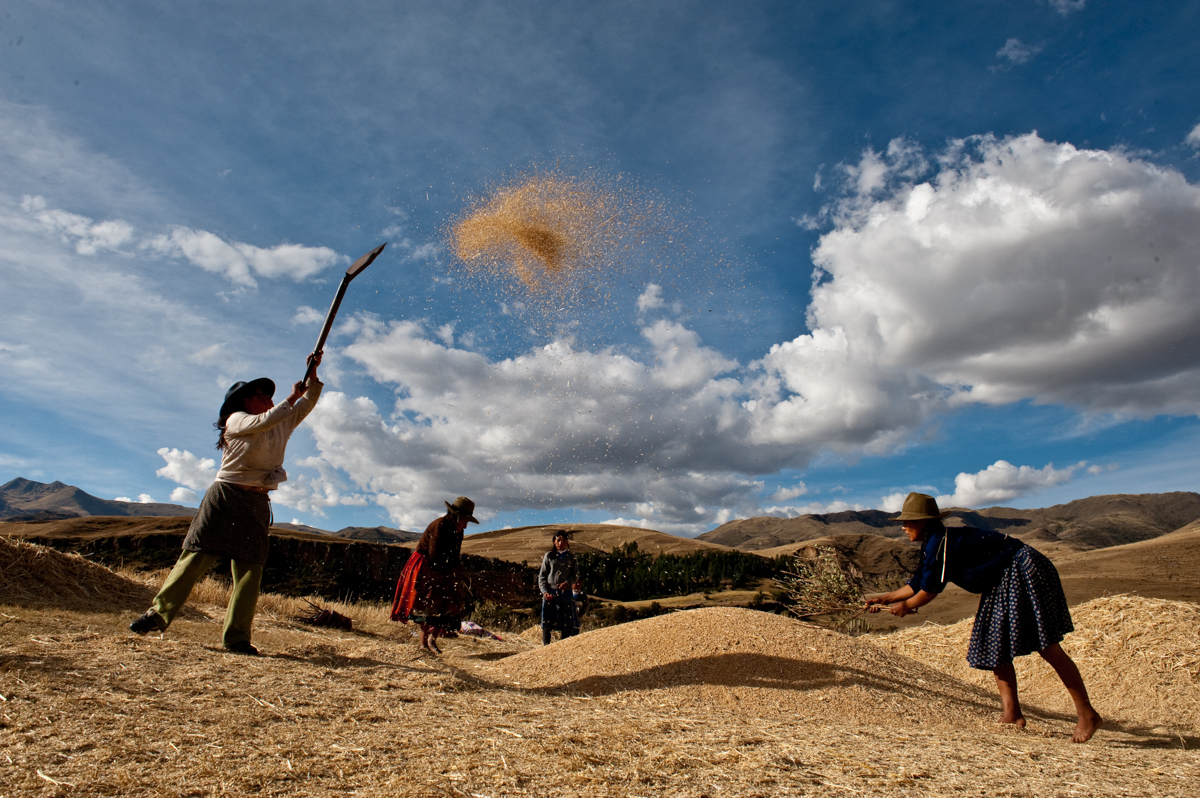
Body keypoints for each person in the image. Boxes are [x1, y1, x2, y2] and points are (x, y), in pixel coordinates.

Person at [866, 492, 1102, 743]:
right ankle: (1012, 714)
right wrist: (885, 598)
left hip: (1022, 568)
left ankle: (1087, 713)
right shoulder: (934, 543)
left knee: (1046, 645)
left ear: (922, 522)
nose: (903, 528)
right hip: (1000, 579)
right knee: (993, 642)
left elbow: (930, 590)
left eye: (907, 522)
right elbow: (917, 584)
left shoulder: (941, 542)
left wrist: (907, 606)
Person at [129, 353, 324, 655]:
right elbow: (266, 419)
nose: (267, 398)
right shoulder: (237, 420)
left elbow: (306, 404)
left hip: (256, 501)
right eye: (261, 394)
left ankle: (236, 639)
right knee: (195, 558)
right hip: (226, 496)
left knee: (250, 571)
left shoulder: (279, 422)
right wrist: (290, 397)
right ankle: (157, 615)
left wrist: (312, 378)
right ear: (245, 401)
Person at [391, 496, 478, 653]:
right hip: (426, 567)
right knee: (427, 604)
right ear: (457, 517)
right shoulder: (439, 526)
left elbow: (454, 554)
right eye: (465, 521)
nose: (466, 525)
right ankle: (423, 643)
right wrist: (449, 572)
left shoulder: (458, 532)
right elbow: (435, 556)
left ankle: (433, 639)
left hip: (444, 568)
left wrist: (458, 569)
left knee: (448, 602)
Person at [538, 529, 581, 645]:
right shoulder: (549, 556)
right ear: (554, 542)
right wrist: (544, 591)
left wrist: (567, 583)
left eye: (563, 540)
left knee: (565, 625)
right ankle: (545, 647)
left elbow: (576, 574)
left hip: (566, 594)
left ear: (567, 542)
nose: (560, 543)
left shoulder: (571, 557)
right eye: (558, 540)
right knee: (547, 624)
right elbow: (542, 576)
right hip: (550, 593)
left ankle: (563, 648)